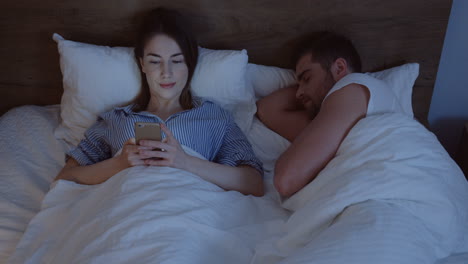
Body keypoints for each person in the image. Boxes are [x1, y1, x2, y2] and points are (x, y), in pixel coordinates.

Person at [55, 7, 264, 197]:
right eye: (155, 61)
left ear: (190, 64)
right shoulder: (115, 119)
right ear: (142, 64)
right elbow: (66, 178)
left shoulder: (214, 116)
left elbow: (254, 183)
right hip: (128, 209)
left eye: (177, 60)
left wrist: (186, 162)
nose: (167, 73)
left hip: (189, 210)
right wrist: (118, 164)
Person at [256, 31, 403, 197]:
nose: (298, 93)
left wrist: (315, 90)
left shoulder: (355, 86)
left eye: (307, 78)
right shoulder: (332, 118)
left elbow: (287, 179)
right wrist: (311, 88)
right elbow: (267, 109)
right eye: (298, 85)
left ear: (339, 68)